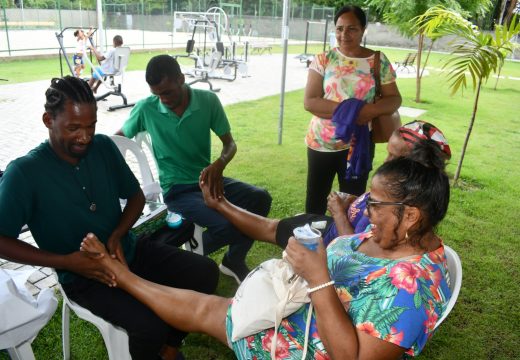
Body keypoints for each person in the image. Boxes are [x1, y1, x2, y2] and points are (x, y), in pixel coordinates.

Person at [80, 150, 453, 359]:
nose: (365, 209)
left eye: (374, 204)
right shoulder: (392, 236)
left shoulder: (412, 292)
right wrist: (221, 204)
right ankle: (124, 276)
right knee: (205, 307)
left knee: (204, 310)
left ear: (411, 215)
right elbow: (273, 229)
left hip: (302, 346)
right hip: (294, 316)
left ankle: (121, 276)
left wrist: (318, 277)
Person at [0, 76, 220, 360]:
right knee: (148, 326)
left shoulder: (102, 147)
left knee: (204, 272)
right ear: (48, 120)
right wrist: (65, 262)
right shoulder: (25, 173)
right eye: (74, 127)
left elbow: (136, 197)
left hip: (128, 251)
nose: (85, 136)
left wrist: (117, 235)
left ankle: (168, 350)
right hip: (84, 276)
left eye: (91, 126)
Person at [116, 55, 272, 283]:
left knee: (260, 198)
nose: (162, 99)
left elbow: (230, 144)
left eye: (167, 92)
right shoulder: (146, 109)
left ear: (181, 79)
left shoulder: (207, 101)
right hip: (176, 190)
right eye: (156, 94)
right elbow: (118, 140)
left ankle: (232, 260)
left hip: (207, 181)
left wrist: (219, 164)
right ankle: (184, 257)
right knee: (230, 224)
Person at [201, 120, 451, 250]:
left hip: (331, 242)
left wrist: (340, 212)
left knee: (271, 228)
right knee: (281, 225)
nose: (386, 162)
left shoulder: (397, 216)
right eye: (388, 154)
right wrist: (354, 201)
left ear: (417, 169)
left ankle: (219, 204)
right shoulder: (405, 196)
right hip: (330, 228)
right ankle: (221, 206)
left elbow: (355, 250)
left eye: (396, 158)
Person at [304, 5, 402, 215]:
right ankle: (313, 244)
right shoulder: (323, 59)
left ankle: (345, 244)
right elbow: (310, 102)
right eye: (339, 29)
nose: (344, 35)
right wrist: (354, 111)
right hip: (322, 142)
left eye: (351, 29)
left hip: (358, 145)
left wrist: (370, 111)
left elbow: (394, 99)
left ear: (363, 29)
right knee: (315, 201)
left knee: (353, 204)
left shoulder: (377, 60)